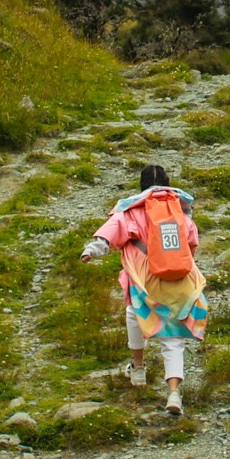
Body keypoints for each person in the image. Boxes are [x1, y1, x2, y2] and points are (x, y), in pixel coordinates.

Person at [81, 163, 208, 417]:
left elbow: (107, 237)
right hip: (180, 280)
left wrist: (91, 251)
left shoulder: (130, 212)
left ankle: (138, 368)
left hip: (145, 281)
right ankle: (174, 393)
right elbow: (192, 243)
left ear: (141, 186)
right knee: (173, 339)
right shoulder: (179, 212)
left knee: (134, 314)